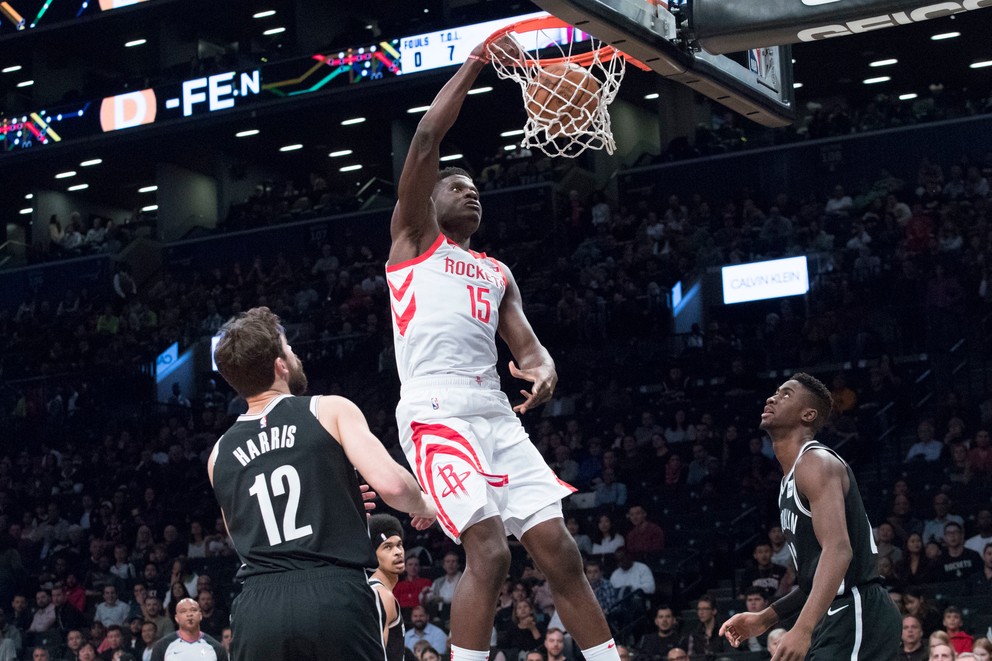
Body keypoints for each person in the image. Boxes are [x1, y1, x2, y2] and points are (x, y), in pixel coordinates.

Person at [387, 39, 620, 661]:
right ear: (428, 202)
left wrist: (544, 371)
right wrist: (476, 64)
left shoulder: (496, 272)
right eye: (456, 186)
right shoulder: (412, 243)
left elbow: (531, 348)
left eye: (474, 188)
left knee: (559, 551)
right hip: (436, 411)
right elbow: (425, 141)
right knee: (488, 549)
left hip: (494, 411)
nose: (470, 192)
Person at [208, 307, 436, 661]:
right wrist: (425, 505)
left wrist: (331, 500)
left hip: (257, 608)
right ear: (280, 366)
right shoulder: (327, 409)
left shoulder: (219, 452)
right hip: (332, 593)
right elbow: (392, 486)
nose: (295, 355)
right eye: (289, 348)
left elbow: (242, 532)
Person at [719, 373, 901, 659]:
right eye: (775, 392)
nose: (772, 398)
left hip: (855, 607)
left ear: (808, 414)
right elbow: (816, 578)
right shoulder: (787, 482)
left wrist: (802, 629)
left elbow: (839, 551)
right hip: (835, 613)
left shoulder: (815, 462)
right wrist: (765, 618)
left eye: (786, 394)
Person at [367, 514, 408, 661]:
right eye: (387, 547)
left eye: (399, 544)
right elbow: (376, 656)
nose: (398, 551)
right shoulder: (382, 595)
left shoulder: (375, 590)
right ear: (373, 556)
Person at [148, 598, 226, 661]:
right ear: (177, 618)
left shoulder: (216, 648)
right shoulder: (162, 646)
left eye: (193, 610)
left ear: (200, 616)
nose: (189, 614)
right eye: (183, 611)